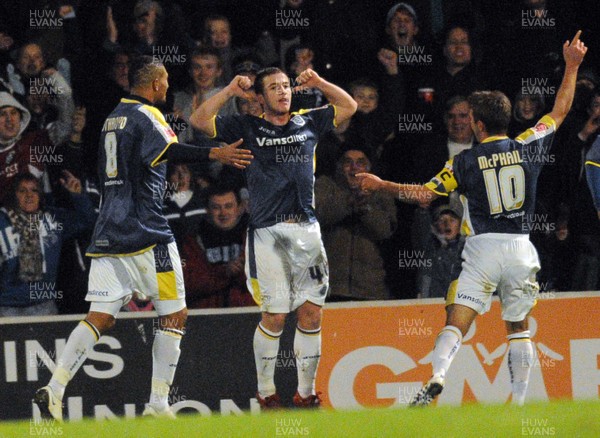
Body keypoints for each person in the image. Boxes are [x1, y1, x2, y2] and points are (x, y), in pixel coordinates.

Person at [358, 31, 587, 406]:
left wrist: (382, 183)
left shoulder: (463, 161)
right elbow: (559, 111)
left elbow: (424, 195)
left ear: (478, 126)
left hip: (481, 251)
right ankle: (518, 402)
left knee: (456, 320)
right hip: (520, 249)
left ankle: (438, 374)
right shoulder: (528, 144)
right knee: (517, 330)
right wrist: (573, 65)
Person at [33, 55, 253, 421]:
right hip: (147, 231)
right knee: (175, 314)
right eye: (165, 80)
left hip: (108, 232)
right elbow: (167, 150)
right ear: (153, 83)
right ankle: (158, 403)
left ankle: (54, 387)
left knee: (100, 316)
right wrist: (215, 153)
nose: (168, 86)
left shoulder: (111, 119)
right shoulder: (149, 115)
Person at [190, 66, 357, 408]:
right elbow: (199, 120)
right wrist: (229, 92)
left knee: (312, 314)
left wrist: (320, 82)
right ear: (260, 97)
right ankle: (266, 392)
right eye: (274, 88)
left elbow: (350, 106)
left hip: (307, 231)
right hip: (268, 234)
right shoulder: (247, 126)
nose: (283, 92)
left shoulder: (308, 121)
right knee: (276, 317)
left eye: (286, 86)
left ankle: (306, 394)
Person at [0, 172, 95, 316]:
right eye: (22, 190)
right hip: (7, 306)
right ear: (14, 195)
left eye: (34, 190)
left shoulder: (53, 218)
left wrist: (78, 196)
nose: (29, 195)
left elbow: (87, 221)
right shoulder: (2, 221)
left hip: (44, 304)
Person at [315, 146, 397, 300]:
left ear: (369, 168)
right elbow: (319, 216)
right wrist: (349, 201)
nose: (354, 168)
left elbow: (385, 231)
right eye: (348, 162)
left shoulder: (381, 190)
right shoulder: (325, 186)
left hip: (370, 288)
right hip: (330, 287)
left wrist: (365, 207)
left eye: (360, 163)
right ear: (339, 167)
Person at [180, 185, 253, 308]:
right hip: (206, 315)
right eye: (216, 208)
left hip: (248, 313)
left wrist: (242, 273)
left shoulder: (256, 237)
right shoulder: (193, 240)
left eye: (228, 206)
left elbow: (268, 280)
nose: (223, 213)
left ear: (240, 208)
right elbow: (187, 282)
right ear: (207, 210)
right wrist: (224, 272)